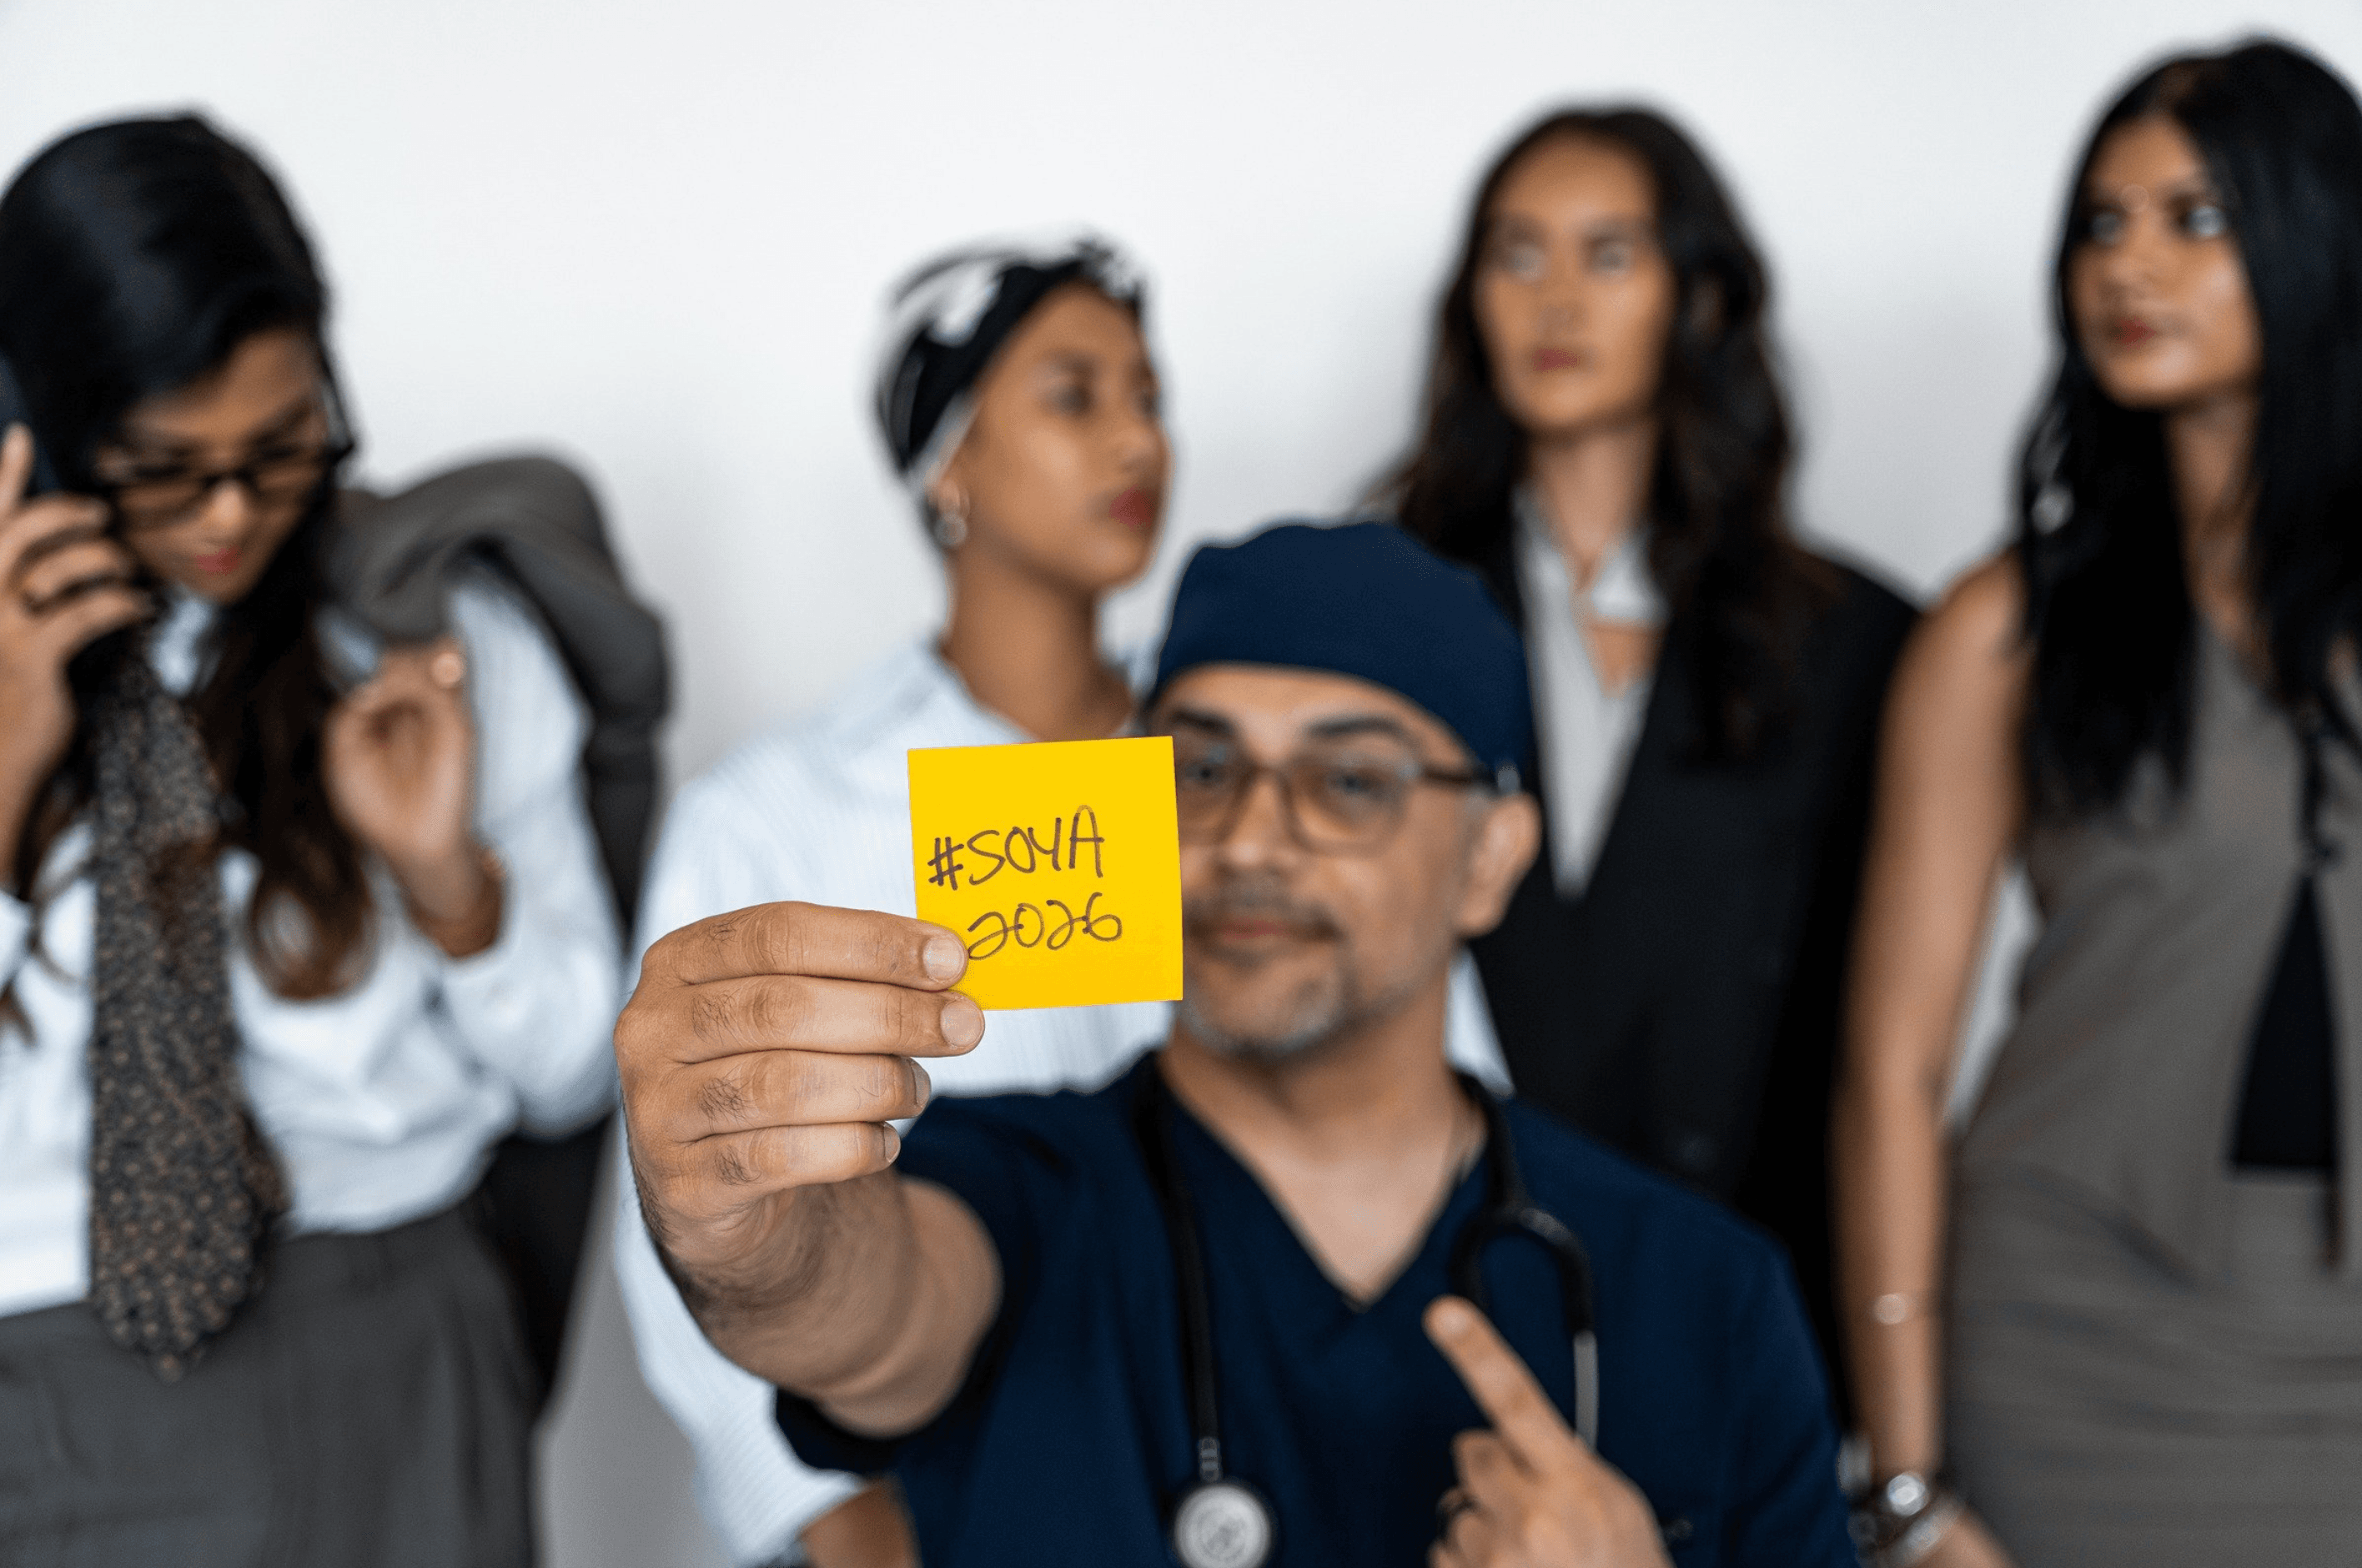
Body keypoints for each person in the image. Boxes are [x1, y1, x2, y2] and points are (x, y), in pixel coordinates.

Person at [617, 520, 1854, 1567]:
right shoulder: (1012, 1189)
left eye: (1351, 782)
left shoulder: (1708, 1302)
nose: (1252, 840)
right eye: (1202, 769)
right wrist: (751, 1234)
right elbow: (865, 1311)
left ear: (1490, 858)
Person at [614, 237, 1510, 1567]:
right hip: (928, 1461)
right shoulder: (777, 811)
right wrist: (848, 1528)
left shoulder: (1266, 767)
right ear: (950, 463)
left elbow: (1440, 1083)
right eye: (1076, 394)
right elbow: (696, 1217)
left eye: (1151, 395)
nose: (1138, 438)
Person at [0, 117, 634, 1565]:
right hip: (48, 1387)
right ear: (40, 410)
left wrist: (448, 887)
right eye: (165, 467)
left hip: (401, 1344)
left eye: (280, 450)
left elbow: (575, 1076)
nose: (231, 516)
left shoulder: (430, 641)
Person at [1833, 39, 2362, 1568]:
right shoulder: (2004, 631)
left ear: (2315, 234)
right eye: (2102, 223)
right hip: (2070, 1327)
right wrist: (1910, 1489)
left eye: (2193, 220)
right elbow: (1890, 1070)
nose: (2128, 266)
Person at [1382, 106, 1915, 1386]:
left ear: (1704, 300)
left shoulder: (1858, 645)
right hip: (1414, 1304)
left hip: (1741, 1321)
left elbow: (1883, 1052)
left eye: (1608, 254)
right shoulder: (1372, 610)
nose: (1556, 299)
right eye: (1517, 255)